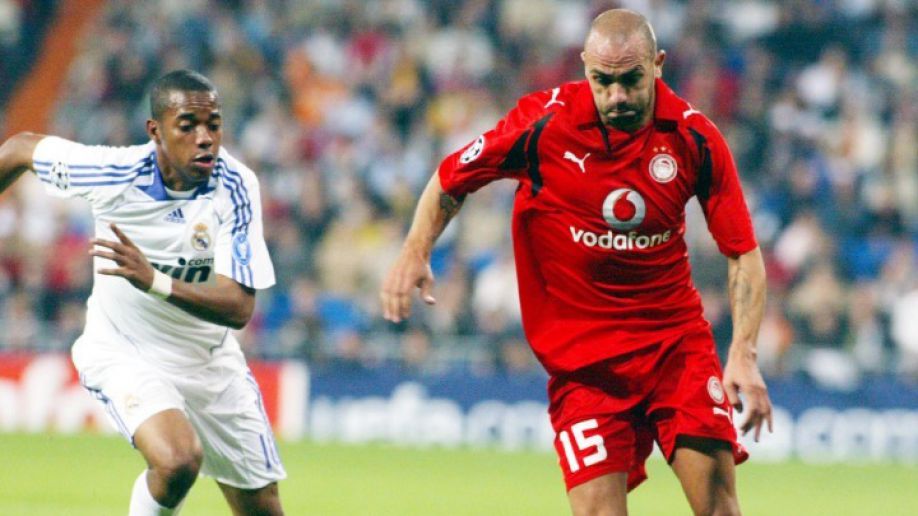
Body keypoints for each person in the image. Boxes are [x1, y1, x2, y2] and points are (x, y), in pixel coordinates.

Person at [382, 9, 772, 516]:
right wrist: (415, 249)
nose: (617, 96)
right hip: (584, 367)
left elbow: (742, 253)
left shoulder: (695, 138)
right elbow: (453, 176)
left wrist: (743, 352)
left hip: (674, 348)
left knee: (719, 508)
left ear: (658, 64)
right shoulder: (544, 124)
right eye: (602, 81)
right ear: (585, 65)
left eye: (631, 80)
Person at [0, 70, 285, 515]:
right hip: (125, 350)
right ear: (156, 131)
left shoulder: (235, 186)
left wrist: (154, 280)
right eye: (188, 125)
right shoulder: (112, 172)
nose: (205, 138)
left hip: (209, 364)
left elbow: (239, 306)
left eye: (213, 125)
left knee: (263, 508)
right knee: (177, 460)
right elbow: (20, 148)